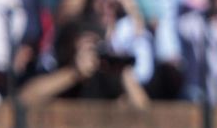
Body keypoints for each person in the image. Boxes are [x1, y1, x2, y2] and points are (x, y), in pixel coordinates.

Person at [19, 17, 150, 106]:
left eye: (95, 44)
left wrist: (123, 71)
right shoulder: (58, 71)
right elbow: (24, 99)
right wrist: (74, 73)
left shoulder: (107, 77)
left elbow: (146, 114)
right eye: (85, 45)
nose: (91, 51)